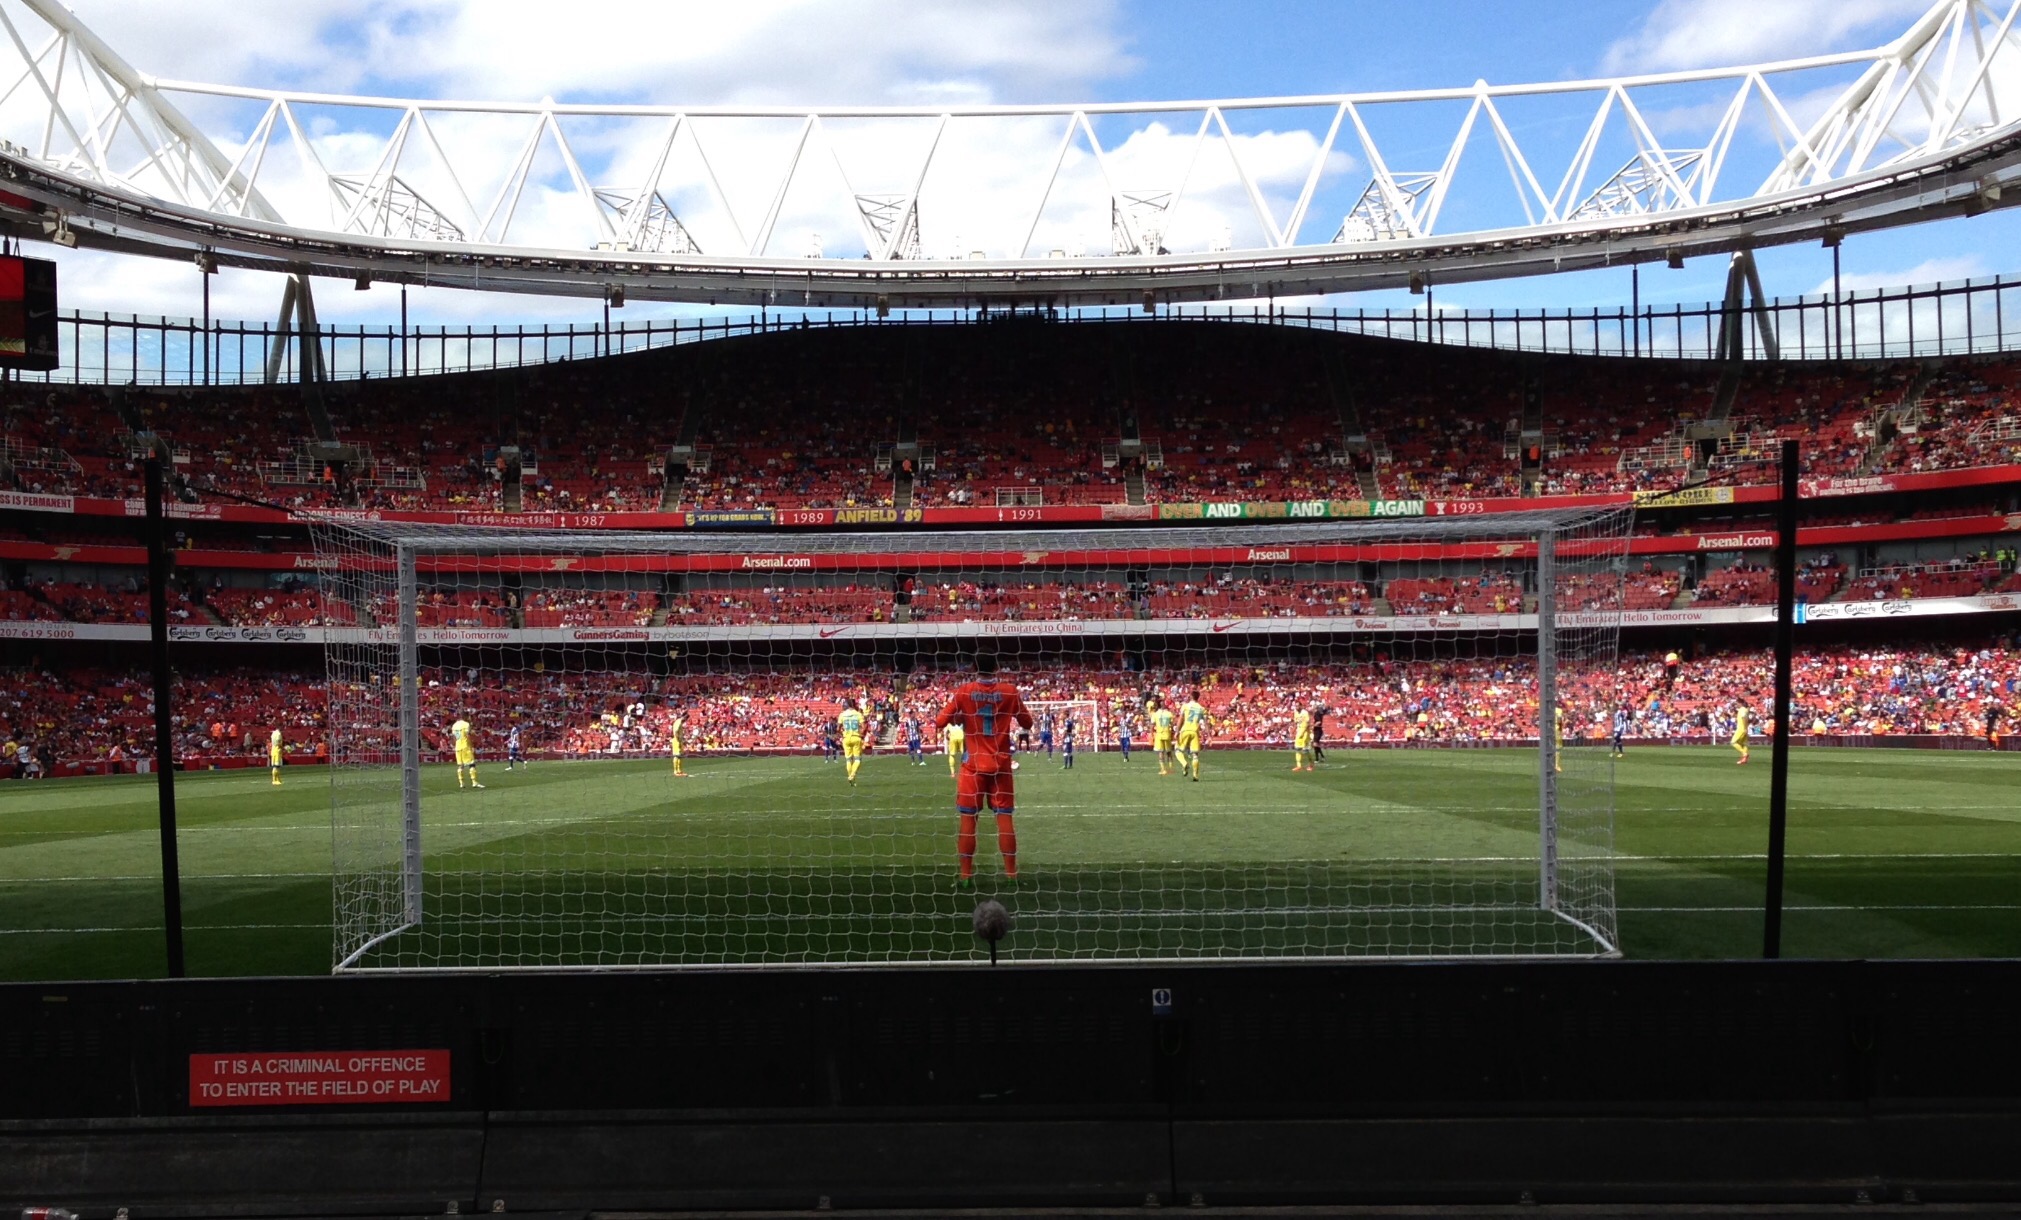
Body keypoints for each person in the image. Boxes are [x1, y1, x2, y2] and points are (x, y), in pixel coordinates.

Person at [934, 654, 1034, 891]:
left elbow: (939, 722)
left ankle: (965, 876)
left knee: (968, 820)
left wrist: (961, 715)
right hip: (1001, 766)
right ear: (997, 666)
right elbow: (1027, 724)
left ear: (973, 667)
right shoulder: (1010, 691)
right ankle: (1011, 876)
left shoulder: (965, 691)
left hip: (973, 767)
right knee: (1004, 818)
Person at [1177, 691, 1207, 781]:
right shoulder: (1201, 708)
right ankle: (1195, 775)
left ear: (1191, 696)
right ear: (1198, 697)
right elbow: (1206, 723)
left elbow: (1181, 719)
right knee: (1195, 755)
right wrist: (1209, 736)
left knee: (1178, 750)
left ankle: (1184, 764)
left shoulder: (1185, 706)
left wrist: (1177, 731)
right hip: (1195, 731)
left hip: (1185, 730)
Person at [838, 700, 866, 786]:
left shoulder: (842, 715)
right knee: (857, 759)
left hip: (846, 738)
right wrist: (861, 734)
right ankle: (852, 775)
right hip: (856, 737)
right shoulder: (858, 714)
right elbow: (864, 727)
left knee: (848, 760)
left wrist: (842, 735)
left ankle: (851, 778)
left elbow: (838, 728)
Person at [451, 713, 482, 789]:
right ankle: (474, 782)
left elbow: (454, 738)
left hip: (458, 747)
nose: (469, 718)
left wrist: (455, 745)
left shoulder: (454, 725)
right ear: (465, 716)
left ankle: (461, 783)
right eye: (468, 717)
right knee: (472, 764)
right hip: (465, 746)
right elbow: (468, 736)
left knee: (460, 766)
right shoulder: (466, 724)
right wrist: (472, 746)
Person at [1152, 701, 1176, 776]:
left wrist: (1152, 734)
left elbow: (1152, 725)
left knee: (1160, 752)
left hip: (1159, 734)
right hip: (1167, 733)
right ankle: (1171, 769)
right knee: (1169, 752)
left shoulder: (1155, 714)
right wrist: (1172, 733)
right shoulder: (1169, 714)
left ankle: (1163, 770)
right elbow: (1172, 724)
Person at [1291, 706, 1314, 772]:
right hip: (1299, 733)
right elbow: (1296, 723)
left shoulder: (1305, 713)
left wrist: (1303, 733)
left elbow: (1307, 724)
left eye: (1298, 706)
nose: (1297, 707)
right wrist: (1293, 731)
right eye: (1296, 706)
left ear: (1301, 706)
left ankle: (1311, 764)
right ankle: (1299, 766)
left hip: (1305, 734)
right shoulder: (1295, 713)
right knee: (1297, 749)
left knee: (1305, 750)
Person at [668, 710, 688, 778]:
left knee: (680, 755)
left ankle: (679, 770)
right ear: (684, 717)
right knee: (676, 755)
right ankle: (675, 771)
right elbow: (676, 731)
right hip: (677, 740)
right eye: (685, 719)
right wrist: (678, 739)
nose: (685, 721)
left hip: (679, 740)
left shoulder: (679, 722)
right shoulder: (678, 722)